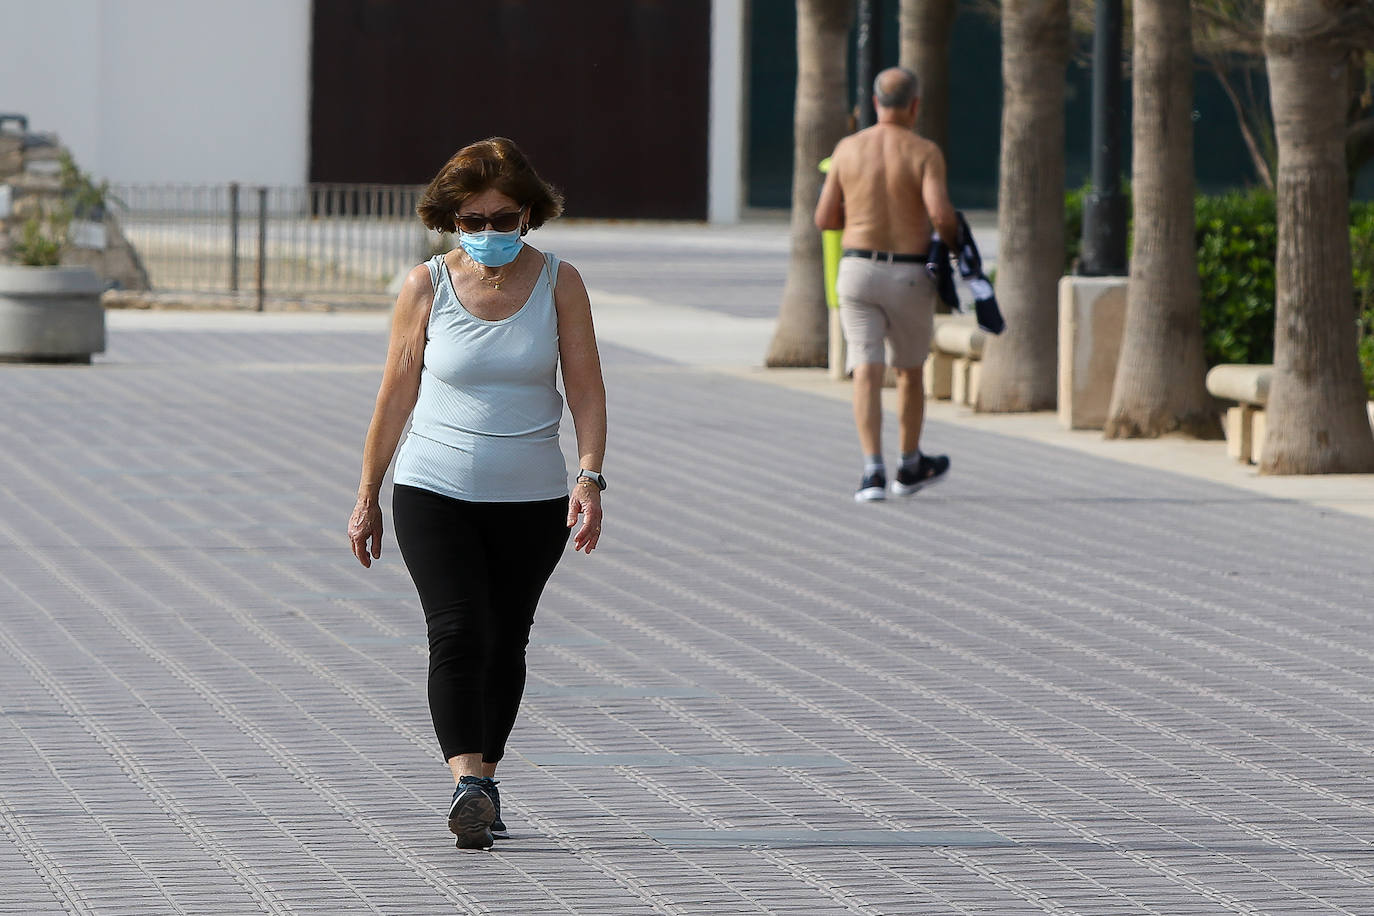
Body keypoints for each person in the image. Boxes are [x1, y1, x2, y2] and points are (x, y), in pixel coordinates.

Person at [347, 137, 607, 849]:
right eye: (473, 220)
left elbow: (584, 385)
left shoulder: (561, 282)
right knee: (457, 632)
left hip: (530, 498)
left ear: (529, 214)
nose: (489, 234)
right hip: (433, 488)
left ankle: (486, 781)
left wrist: (589, 475)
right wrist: (369, 492)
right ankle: (465, 780)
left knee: (506, 640)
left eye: (503, 219)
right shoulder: (425, 284)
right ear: (449, 219)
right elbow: (395, 390)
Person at [815, 66, 958, 502]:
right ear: (915, 106)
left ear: (875, 104)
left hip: (857, 269)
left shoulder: (847, 149)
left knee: (865, 368)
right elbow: (939, 214)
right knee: (909, 371)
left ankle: (871, 471)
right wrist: (953, 243)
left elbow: (824, 219)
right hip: (909, 272)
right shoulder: (924, 152)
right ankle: (909, 464)